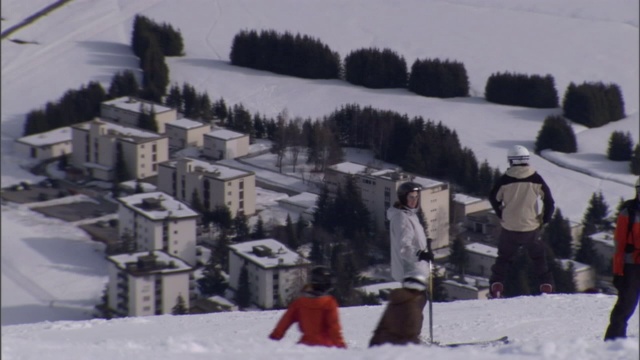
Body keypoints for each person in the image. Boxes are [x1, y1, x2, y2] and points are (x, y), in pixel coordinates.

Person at [488, 145, 555, 298]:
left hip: (509, 227)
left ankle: (496, 285)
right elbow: (549, 202)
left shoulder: (504, 180)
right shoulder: (536, 179)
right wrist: (543, 221)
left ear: (511, 161)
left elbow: (493, 197)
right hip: (530, 227)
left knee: (503, 259)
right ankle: (546, 285)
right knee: (538, 258)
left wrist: (501, 213)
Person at [268, 266, 347, 348]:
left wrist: (273, 339)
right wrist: (341, 346)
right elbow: (334, 328)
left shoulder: (299, 303)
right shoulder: (329, 303)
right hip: (326, 348)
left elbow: (284, 323)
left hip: (305, 347)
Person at [604, 177, 640, 341]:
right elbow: (620, 244)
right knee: (626, 305)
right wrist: (618, 271)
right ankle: (614, 342)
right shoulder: (629, 213)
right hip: (632, 265)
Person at [386, 181, 434, 284]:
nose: (414, 200)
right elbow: (404, 248)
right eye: (411, 197)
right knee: (413, 300)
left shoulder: (409, 215)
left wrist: (425, 246)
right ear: (403, 198)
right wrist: (421, 255)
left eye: (416, 197)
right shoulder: (401, 218)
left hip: (415, 271)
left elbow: (413, 239)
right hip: (410, 273)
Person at [369, 274, 428, 347]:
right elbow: (411, 335)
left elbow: (381, 327)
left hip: (380, 346)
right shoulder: (412, 307)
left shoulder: (395, 302)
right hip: (397, 350)